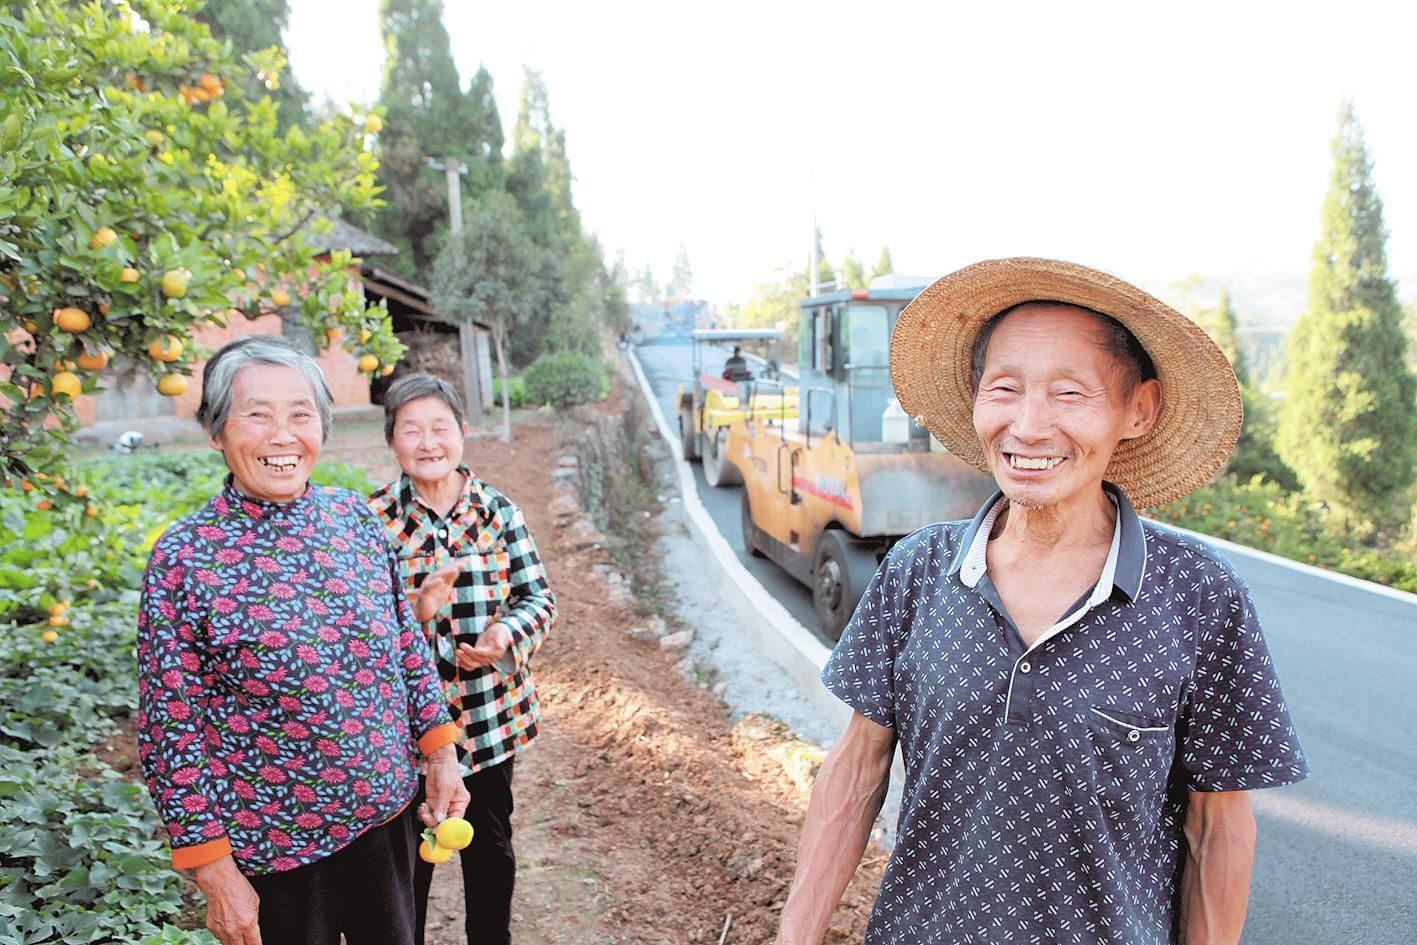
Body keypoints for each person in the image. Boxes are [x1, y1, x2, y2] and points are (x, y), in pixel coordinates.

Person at [776, 258, 1310, 945]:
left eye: (1068, 393)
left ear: (1138, 409)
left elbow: (1219, 828)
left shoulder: (1198, 594)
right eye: (1005, 388)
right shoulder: (917, 571)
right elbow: (856, 768)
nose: (1028, 426)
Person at [137, 336, 470, 945]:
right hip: (272, 852)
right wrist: (213, 871)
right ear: (215, 431)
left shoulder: (355, 520)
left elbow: (406, 649)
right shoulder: (184, 558)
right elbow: (170, 729)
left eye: (300, 414)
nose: (283, 436)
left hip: (386, 817)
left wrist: (443, 755)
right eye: (257, 415)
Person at [367, 373, 556, 945]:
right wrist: (416, 612)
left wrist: (503, 635)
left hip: (488, 718)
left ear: (463, 432)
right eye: (411, 430)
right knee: (409, 864)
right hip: (405, 732)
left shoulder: (499, 512)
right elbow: (357, 632)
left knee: (490, 847)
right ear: (391, 440)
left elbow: (538, 598)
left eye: (440, 428)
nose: (428, 443)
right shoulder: (372, 522)